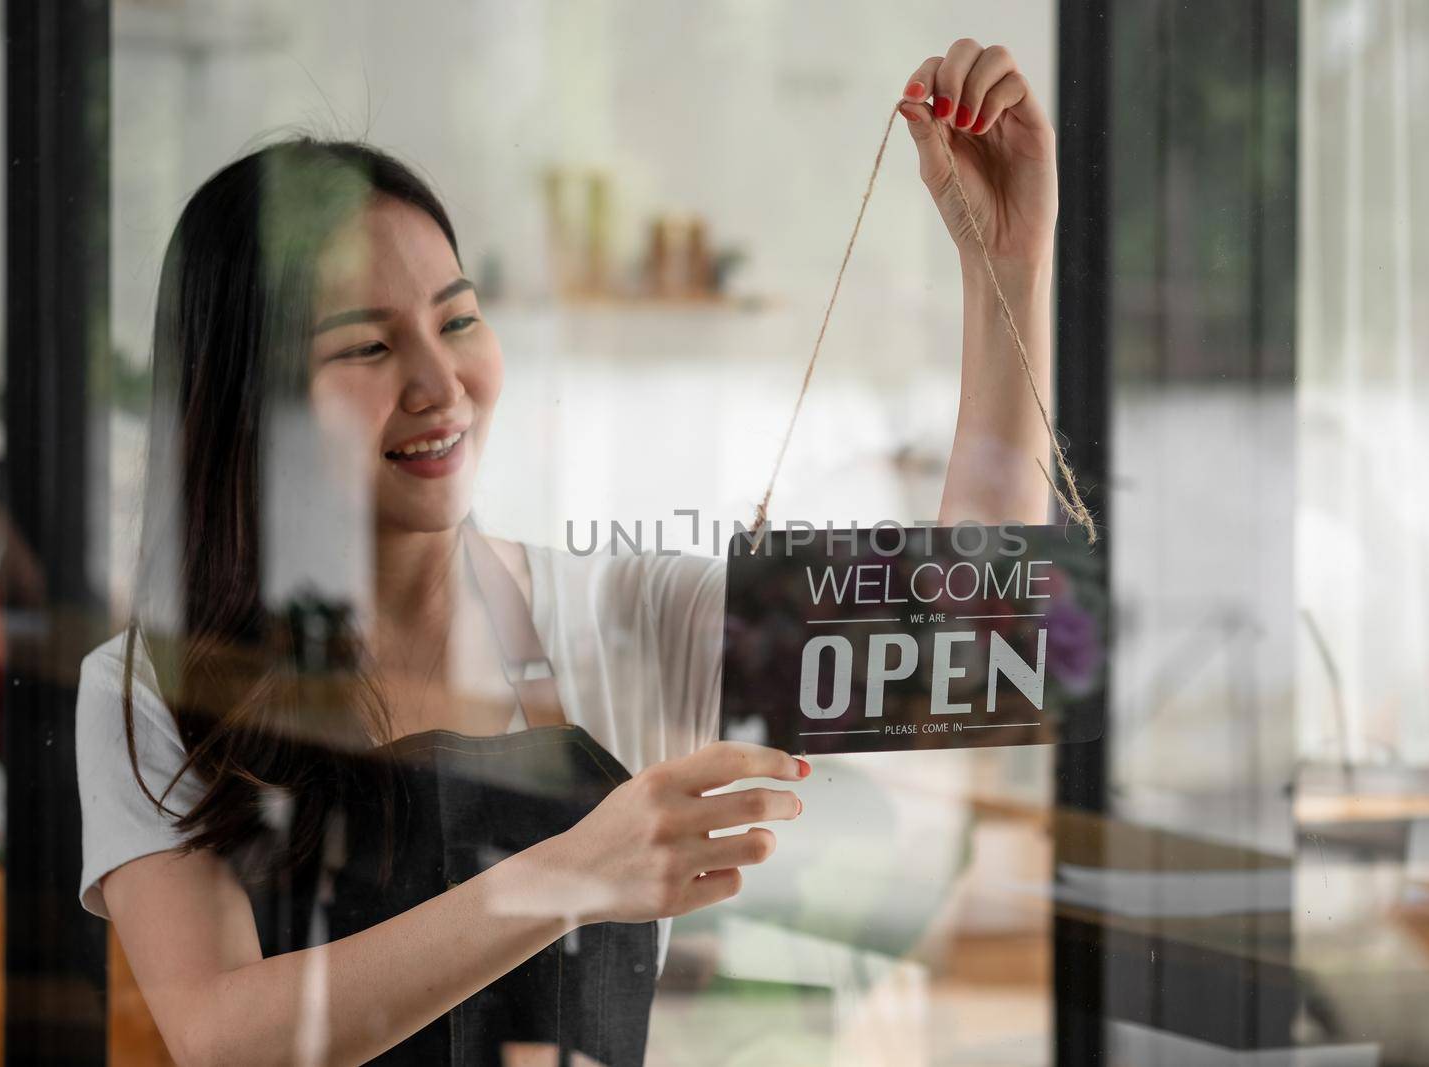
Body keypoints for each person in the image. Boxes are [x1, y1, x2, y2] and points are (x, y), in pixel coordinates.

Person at [75, 40, 1061, 1066]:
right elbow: (228, 1039)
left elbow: (971, 635)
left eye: (457, 318)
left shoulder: (619, 614)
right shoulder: (147, 688)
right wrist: (570, 872)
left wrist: (1006, 269)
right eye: (368, 346)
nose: (440, 384)